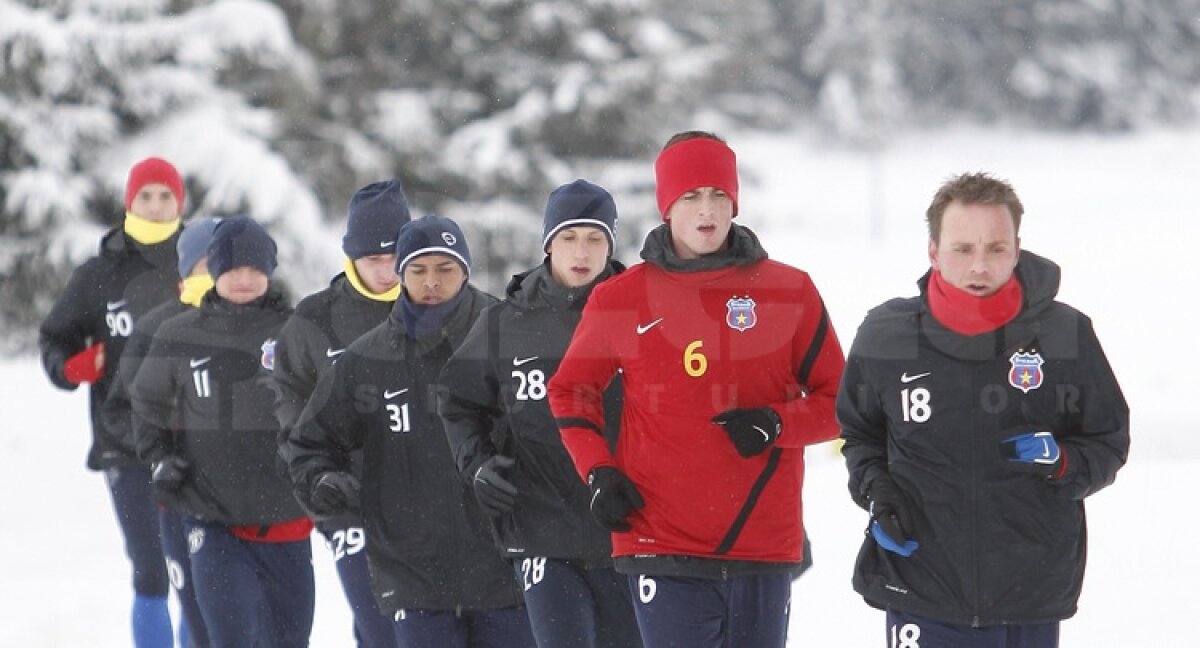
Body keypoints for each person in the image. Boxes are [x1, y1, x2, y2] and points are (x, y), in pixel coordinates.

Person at [547, 131, 846, 648]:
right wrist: (599, 470)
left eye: (718, 195)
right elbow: (572, 391)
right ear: (667, 206)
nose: (706, 209)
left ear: (734, 201)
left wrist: (777, 423)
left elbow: (841, 402)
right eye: (690, 196)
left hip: (761, 541)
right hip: (657, 536)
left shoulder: (788, 290)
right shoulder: (621, 298)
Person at [837, 172, 1130, 647]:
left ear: (1017, 248)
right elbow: (861, 434)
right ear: (933, 251)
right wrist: (877, 494)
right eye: (962, 248)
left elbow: (1107, 440)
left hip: (1029, 588)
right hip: (919, 583)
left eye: (996, 248)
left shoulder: (1064, 332)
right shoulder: (888, 335)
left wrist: (1063, 462)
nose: (980, 265)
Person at [286, 215, 535, 647]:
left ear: (466, 271)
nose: (432, 282)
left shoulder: (508, 336)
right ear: (401, 275)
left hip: (505, 567)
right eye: (419, 270)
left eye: (445, 268)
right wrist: (323, 480)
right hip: (412, 574)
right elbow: (310, 444)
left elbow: (553, 431)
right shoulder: (365, 358)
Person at [439, 180, 642, 648]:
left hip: (627, 527)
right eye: (568, 237)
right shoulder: (503, 324)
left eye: (595, 238)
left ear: (611, 244)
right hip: (540, 529)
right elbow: (456, 400)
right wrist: (478, 465)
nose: (581, 252)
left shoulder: (642, 314)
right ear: (548, 243)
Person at [131, 215, 315, 647]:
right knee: (230, 637)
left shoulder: (299, 331)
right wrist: (160, 457)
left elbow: (329, 408)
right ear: (214, 271)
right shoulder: (178, 333)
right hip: (211, 518)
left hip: (286, 518)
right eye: (233, 269)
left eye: (255, 269)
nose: (245, 280)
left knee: (288, 639)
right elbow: (146, 402)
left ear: (270, 271)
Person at [38, 156, 187, 647]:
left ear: (179, 203)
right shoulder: (98, 274)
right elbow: (55, 339)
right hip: (125, 442)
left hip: (196, 440)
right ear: (130, 202)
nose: (156, 205)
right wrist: (71, 367)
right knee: (151, 571)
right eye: (146, 196)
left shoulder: (201, 260)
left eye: (165, 196)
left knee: (195, 571)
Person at [272, 180, 410, 648]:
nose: (388, 271)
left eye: (397, 257)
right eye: (374, 259)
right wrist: (320, 483)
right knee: (380, 625)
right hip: (350, 506)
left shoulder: (442, 306)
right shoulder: (314, 320)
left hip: (432, 505)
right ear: (352, 257)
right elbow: (292, 415)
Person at [103, 216, 222, 648]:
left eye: (224, 262)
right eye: (205, 263)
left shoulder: (262, 328)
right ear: (186, 268)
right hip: (175, 488)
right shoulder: (157, 328)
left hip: (241, 494)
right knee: (174, 583)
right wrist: (160, 448)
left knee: (228, 602)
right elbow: (119, 410)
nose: (214, 273)